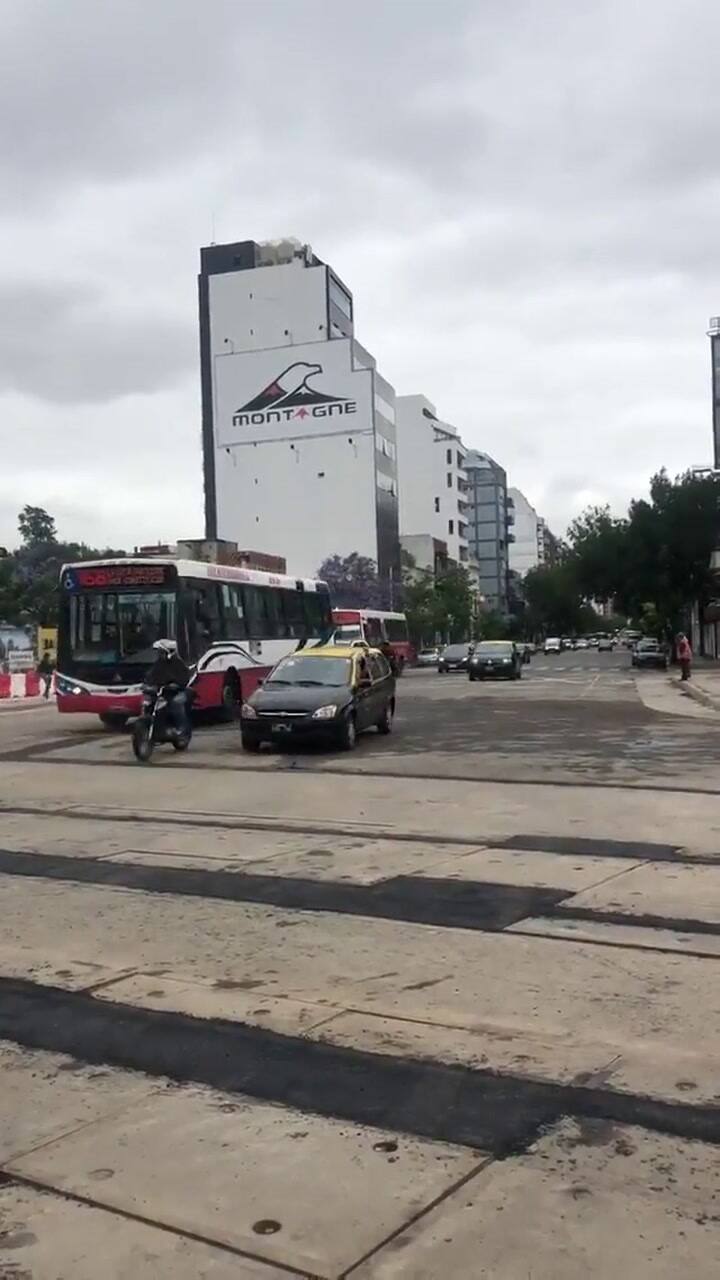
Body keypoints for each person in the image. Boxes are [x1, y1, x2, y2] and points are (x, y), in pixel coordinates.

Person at [144, 638, 191, 734]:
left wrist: (176, 684)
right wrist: (146, 684)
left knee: (176, 703)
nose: (159, 654)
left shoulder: (178, 663)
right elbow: (151, 675)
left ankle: (181, 728)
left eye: (161, 652)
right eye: (159, 652)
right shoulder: (159, 664)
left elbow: (185, 678)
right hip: (162, 692)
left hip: (178, 692)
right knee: (149, 703)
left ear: (169, 652)